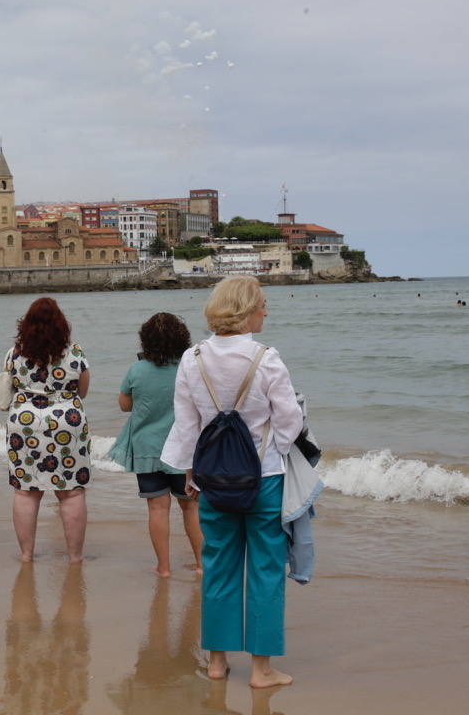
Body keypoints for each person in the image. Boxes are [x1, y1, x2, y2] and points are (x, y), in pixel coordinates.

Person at [159, 275, 303, 688]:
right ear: (245, 309)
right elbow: (290, 420)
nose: (266, 311)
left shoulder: (193, 358)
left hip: (210, 479)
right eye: (262, 303)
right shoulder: (266, 358)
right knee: (266, 568)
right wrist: (273, 447)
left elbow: (186, 423)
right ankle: (261, 670)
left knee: (218, 565)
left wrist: (189, 472)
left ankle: (218, 662)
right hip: (265, 477)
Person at [110, 312, 204, 577]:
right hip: (184, 450)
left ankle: (163, 567)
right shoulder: (190, 368)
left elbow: (124, 405)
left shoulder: (136, 369)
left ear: (146, 341)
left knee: (157, 508)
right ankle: (201, 564)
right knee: (191, 507)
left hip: (147, 450)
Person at [5, 297, 91, 564]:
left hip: (25, 421)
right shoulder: (75, 353)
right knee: (71, 491)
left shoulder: (14, 353)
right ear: (61, 324)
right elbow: (83, 391)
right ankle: (75, 556)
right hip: (67, 420)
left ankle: (27, 555)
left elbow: (7, 389)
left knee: (26, 491)